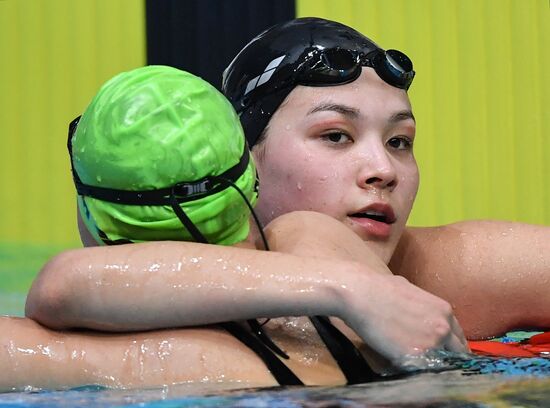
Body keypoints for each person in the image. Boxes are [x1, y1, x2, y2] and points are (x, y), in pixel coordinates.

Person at [19, 17, 549, 388]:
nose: (383, 170)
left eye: (400, 141)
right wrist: (352, 290)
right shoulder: (294, 257)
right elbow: (69, 284)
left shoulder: (448, 267)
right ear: (247, 161)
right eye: (336, 135)